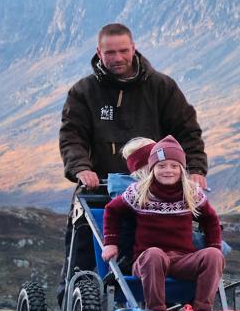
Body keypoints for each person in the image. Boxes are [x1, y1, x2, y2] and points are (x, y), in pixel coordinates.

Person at [59, 23, 208, 191]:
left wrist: (196, 169)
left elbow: (187, 131)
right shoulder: (83, 91)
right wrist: (81, 168)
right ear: (99, 53)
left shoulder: (162, 87)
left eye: (123, 51)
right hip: (101, 188)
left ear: (133, 48)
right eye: (110, 52)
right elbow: (72, 136)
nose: (118, 58)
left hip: (157, 188)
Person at [101, 137, 224, 311]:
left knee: (214, 255)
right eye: (161, 166)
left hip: (182, 259)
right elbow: (112, 210)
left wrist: (214, 246)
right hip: (147, 260)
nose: (168, 171)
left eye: (174, 166)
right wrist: (110, 243)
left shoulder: (191, 193)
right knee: (154, 255)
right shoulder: (139, 192)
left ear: (181, 169)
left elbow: (211, 219)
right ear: (152, 168)